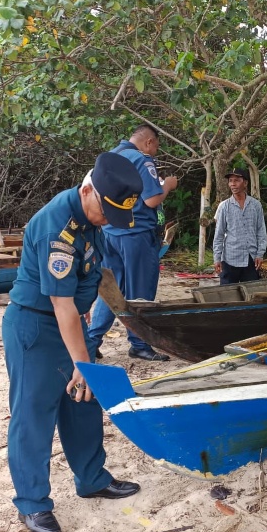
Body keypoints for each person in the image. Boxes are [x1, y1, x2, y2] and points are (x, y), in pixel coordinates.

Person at [3, 153, 144, 532]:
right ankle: (32, 504)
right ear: (87, 190)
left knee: (83, 402)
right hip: (36, 328)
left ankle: (92, 479)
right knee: (34, 415)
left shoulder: (89, 218)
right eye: (106, 212)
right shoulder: (57, 226)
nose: (106, 221)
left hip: (68, 324)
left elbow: (91, 276)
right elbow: (60, 304)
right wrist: (83, 361)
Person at [88, 125, 178, 362]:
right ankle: (139, 343)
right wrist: (167, 185)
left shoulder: (111, 156)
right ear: (148, 142)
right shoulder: (142, 160)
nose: (155, 152)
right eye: (156, 147)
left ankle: (92, 340)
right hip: (136, 234)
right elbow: (151, 200)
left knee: (112, 290)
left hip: (110, 232)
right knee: (141, 290)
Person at [213, 167, 267, 285]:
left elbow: (261, 231)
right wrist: (217, 259)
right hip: (230, 259)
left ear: (245, 183)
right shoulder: (224, 207)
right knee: (227, 295)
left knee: (251, 295)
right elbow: (219, 235)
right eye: (230, 181)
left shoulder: (256, 205)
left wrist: (260, 254)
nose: (233, 184)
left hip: (250, 259)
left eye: (237, 180)